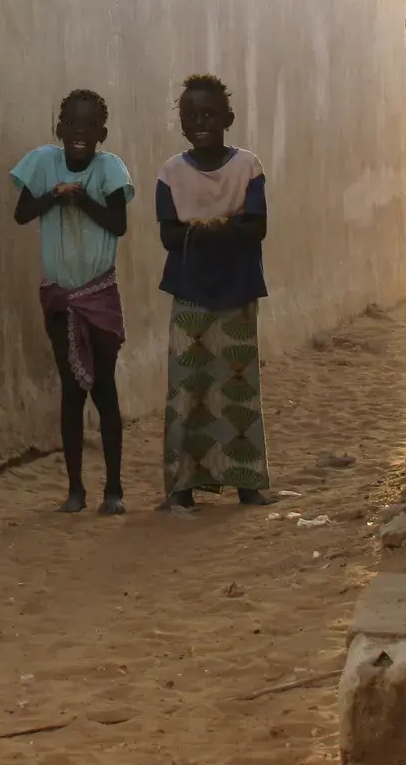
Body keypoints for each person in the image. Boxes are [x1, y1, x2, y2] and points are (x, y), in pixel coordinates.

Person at [11, 90, 134, 515]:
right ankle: (75, 489)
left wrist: (84, 201)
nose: (80, 133)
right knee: (71, 391)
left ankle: (114, 488)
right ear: (59, 128)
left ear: (102, 132)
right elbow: (22, 213)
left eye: (89, 126)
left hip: (98, 294)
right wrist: (55, 196)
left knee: (104, 390)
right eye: (72, 125)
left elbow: (118, 224)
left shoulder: (109, 169)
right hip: (61, 298)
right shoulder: (44, 163)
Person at [156, 73, 271, 511]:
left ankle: (246, 483)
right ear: (182, 122)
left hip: (237, 290)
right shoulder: (171, 172)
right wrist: (226, 226)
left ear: (228, 118)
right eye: (190, 115)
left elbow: (257, 227)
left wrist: (204, 231)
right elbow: (168, 235)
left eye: (208, 114)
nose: (199, 121)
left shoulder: (247, 166)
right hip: (190, 291)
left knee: (238, 388)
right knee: (187, 386)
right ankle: (180, 486)